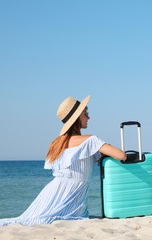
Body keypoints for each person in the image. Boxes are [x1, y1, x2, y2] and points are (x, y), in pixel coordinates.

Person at [0, 95, 127, 226]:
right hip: (70, 198)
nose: (89, 117)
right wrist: (106, 145)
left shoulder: (57, 143)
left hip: (52, 194)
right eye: (85, 113)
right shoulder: (90, 141)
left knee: (27, 221)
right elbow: (121, 155)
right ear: (77, 117)